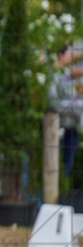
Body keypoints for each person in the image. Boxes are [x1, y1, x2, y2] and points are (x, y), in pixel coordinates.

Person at [50, 43, 83, 179]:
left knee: (66, 167)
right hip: (55, 126)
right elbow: (52, 100)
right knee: (52, 164)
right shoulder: (55, 73)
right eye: (70, 53)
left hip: (72, 126)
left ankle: (60, 198)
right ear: (60, 55)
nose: (73, 57)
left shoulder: (74, 74)